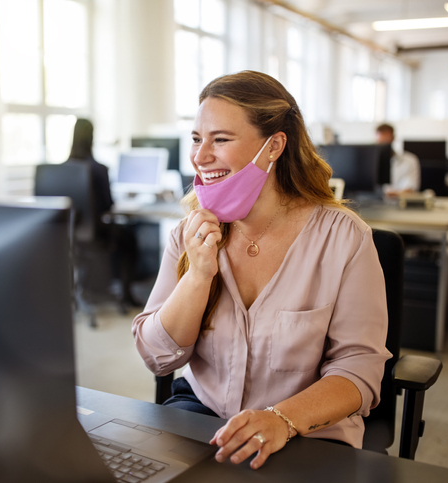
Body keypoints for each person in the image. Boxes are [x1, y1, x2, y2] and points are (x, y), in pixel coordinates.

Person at [132, 71, 389, 470]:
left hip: (307, 432)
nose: (200, 157)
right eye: (197, 140)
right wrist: (198, 276)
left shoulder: (344, 238)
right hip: (206, 419)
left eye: (220, 139)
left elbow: (360, 370)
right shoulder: (192, 233)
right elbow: (156, 356)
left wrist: (282, 419)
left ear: (274, 146)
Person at [65, 118, 140, 307]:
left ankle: (98, 287)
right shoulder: (98, 168)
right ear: (91, 137)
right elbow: (108, 205)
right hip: (97, 235)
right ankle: (127, 295)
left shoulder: (62, 170)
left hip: (68, 235)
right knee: (129, 238)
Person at [375, 123, 420, 196]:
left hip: (400, 204)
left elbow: (411, 190)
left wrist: (385, 195)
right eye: (380, 142)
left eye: (386, 142)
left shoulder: (409, 160)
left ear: (393, 138)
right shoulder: (371, 163)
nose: (383, 146)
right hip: (373, 204)